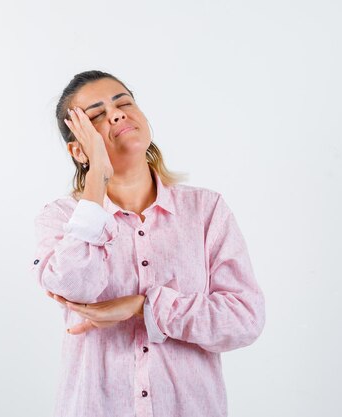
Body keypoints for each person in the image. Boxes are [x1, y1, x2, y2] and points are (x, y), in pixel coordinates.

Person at [30, 70, 266, 417]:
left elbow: (244, 320)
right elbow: (75, 285)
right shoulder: (60, 218)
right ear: (78, 149)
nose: (117, 113)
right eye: (96, 115)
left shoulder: (205, 210)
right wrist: (98, 174)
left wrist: (145, 306)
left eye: (124, 102)